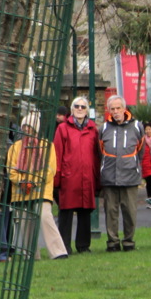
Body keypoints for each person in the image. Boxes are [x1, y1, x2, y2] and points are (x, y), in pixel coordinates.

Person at [7, 112, 68, 260]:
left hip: (41, 190)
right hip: (20, 190)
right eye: (25, 127)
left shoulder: (47, 146)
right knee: (24, 221)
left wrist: (32, 181)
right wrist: (23, 181)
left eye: (30, 127)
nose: (27, 131)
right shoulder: (15, 147)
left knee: (44, 216)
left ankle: (58, 251)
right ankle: (31, 254)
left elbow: (49, 170)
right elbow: (11, 169)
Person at [53, 97, 101, 253]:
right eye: (77, 106)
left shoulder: (93, 130)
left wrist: (97, 177)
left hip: (87, 176)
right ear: (72, 109)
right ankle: (64, 246)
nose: (80, 109)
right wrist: (57, 178)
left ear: (87, 110)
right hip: (69, 176)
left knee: (85, 211)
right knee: (65, 213)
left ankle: (83, 245)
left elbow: (97, 155)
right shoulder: (63, 129)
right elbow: (57, 154)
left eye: (83, 106)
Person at [99, 95, 144, 252]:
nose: (116, 111)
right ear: (109, 110)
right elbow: (101, 151)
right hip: (109, 177)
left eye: (118, 108)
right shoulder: (104, 128)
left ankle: (128, 242)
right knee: (111, 212)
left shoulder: (137, 127)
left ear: (124, 109)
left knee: (130, 212)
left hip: (130, 176)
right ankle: (112, 242)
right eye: (113, 109)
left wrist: (131, 164)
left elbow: (141, 151)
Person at [141, 122, 151, 209]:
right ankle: (150, 201)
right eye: (146, 129)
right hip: (147, 166)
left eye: (149, 129)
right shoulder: (143, 141)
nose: (148, 131)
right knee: (149, 184)